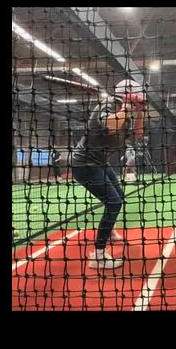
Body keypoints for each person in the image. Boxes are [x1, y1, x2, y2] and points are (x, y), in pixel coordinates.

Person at [69, 82, 146, 269]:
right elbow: (111, 126)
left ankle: (109, 230)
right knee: (113, 202)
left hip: (100, 162)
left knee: (118, 197)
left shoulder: (126, 112)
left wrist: (140, 112)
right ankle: (98, 255)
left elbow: (138, 135)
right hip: (84, 164)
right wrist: (126, 107)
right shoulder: (108, 104)